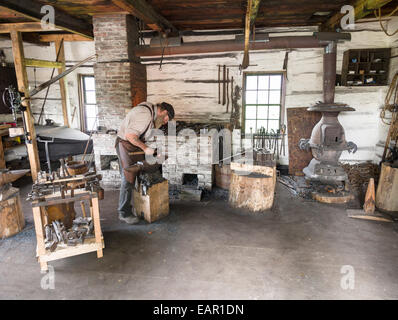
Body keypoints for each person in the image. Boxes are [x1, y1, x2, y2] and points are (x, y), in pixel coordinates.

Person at [115, 101, 175, 224]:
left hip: (132, 146)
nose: (164, 122)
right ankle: (124, 212)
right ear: (162, 112)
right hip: (125, 145)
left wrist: (150, 149)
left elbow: (139, 135)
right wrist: (146, 148)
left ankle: (141, 204)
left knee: (141, 170)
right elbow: (131, 136)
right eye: (165, 119)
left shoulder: (150, 112)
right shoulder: (145, 114)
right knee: (128, 177)